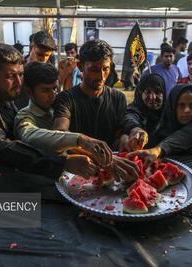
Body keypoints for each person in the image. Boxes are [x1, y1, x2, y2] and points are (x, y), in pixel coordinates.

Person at [0, 43, 99, 180]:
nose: (19, 82)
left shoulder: (5, 96)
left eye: (21, 74)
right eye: (10, 76)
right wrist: (62, 162)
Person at [53, 40, 139, 181]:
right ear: (80, 66)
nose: (100, 76)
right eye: (94, 69)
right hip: (77, 172)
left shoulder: (118, 98)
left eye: (105, 69)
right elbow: (59, 134)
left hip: (112, 174)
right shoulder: (66, 98)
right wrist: (98, 155)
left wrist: (125, 139)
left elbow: (117, 137)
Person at [14, 61, 112, 166]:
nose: (52, 95)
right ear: (29, 92)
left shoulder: (60, 108)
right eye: (46, 90)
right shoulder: (24, 116)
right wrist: (79, 139)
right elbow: (30, 136)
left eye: (54, 89)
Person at [120, 73, 167, 151]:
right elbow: (129, 119)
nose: (152, 97)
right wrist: (137, 130)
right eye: (148, 92)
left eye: (157, 92)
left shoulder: (169, 112)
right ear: (140, 93)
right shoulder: (133, 110)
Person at [16, 31, 57, 110]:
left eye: (47, 56)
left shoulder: (50, 72)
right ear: (31, 47)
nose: (43, 59)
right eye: (40, 54)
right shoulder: (18, 70)